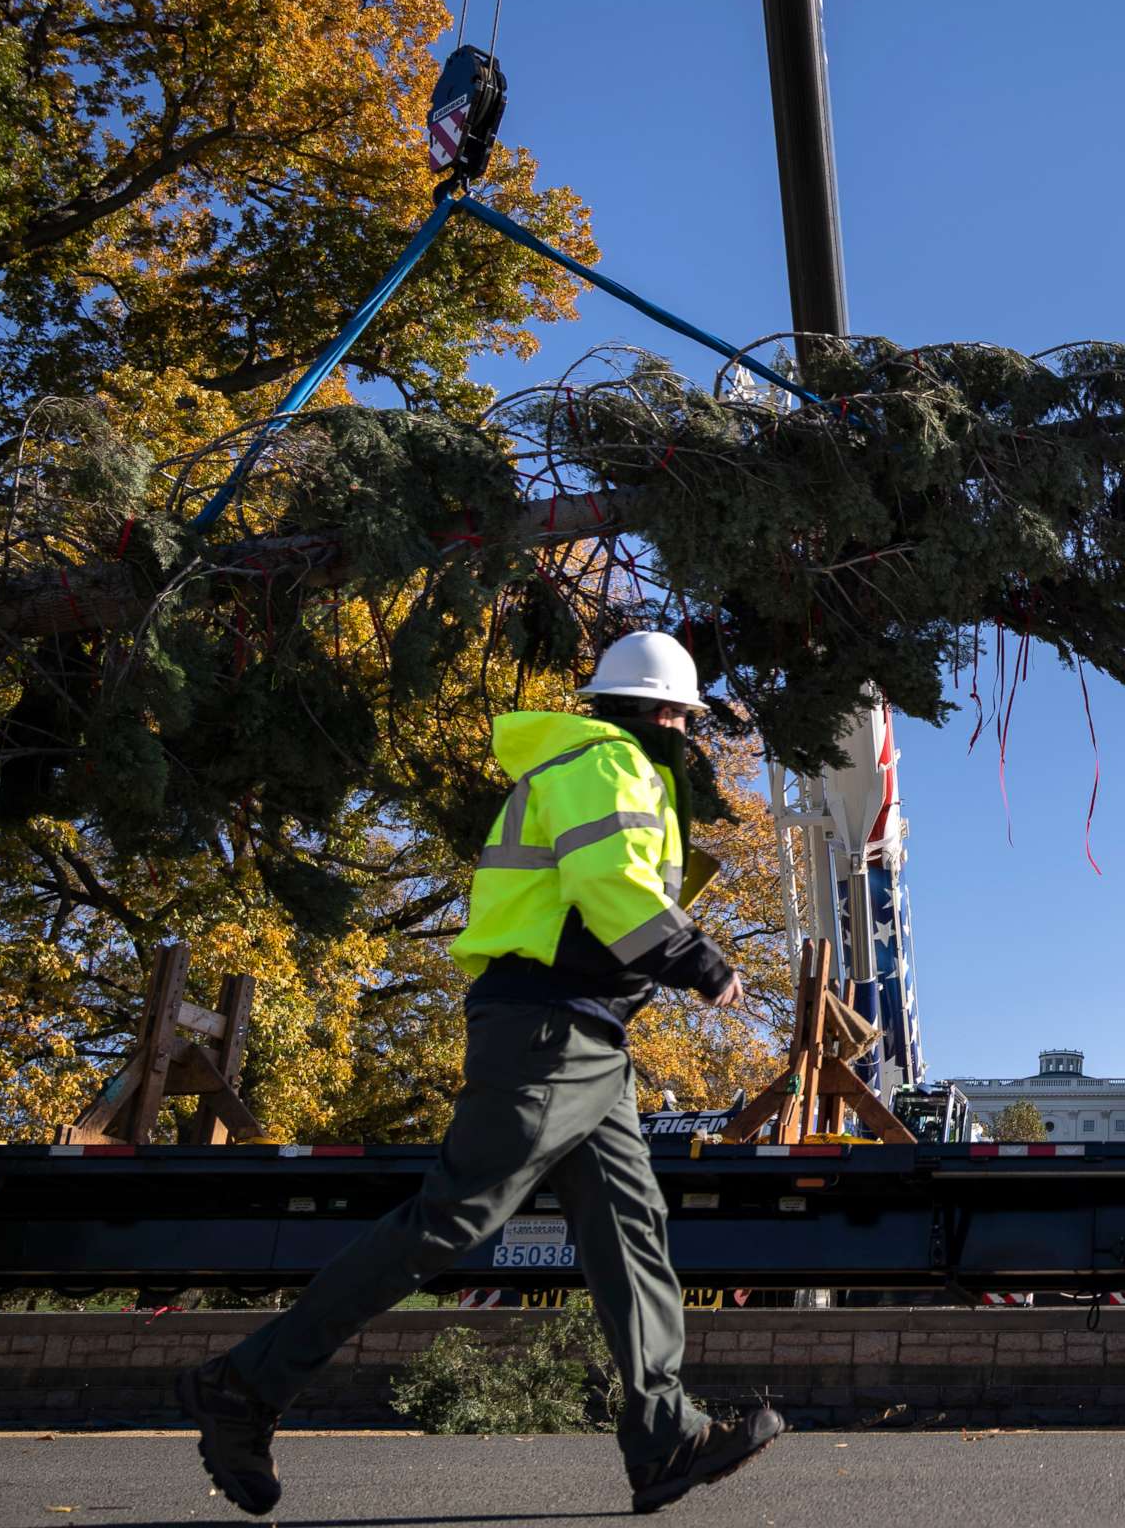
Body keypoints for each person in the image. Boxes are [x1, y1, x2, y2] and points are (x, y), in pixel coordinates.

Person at [176, 631, 783, 1517]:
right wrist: (700, 960)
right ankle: (244, 1384)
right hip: (547, 1031)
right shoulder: (607, 763)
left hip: (586, 1039)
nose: (685, 738)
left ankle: (664, 1436)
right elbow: (610, 883)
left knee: (630, 1229)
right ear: (662, 714)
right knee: (452, 1218)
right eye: (683, 721)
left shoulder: (580, 762)